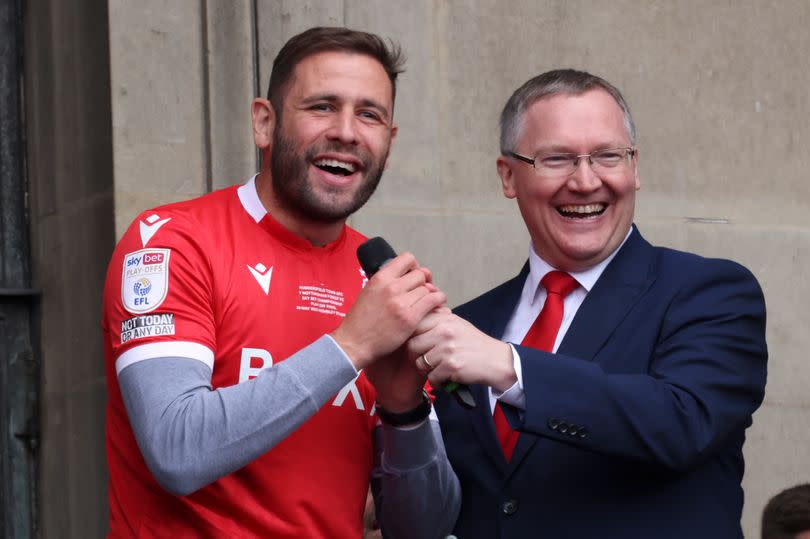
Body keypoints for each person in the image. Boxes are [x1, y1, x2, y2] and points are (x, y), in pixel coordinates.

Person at [101, 26, 459, 538]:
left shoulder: (380, 280)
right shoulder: (172, 242)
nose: (347, 132)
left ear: (389, 139)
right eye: (321, 107)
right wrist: (351, 346)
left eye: (369, 114)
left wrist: (404, 411)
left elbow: (421, 528)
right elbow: (176, 449)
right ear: (264, 123)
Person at [407, 69, 768, 538]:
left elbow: (682, 422)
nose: (585, 181)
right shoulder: (471, 325)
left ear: (634, 168)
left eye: (607, 156)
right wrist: (402, 415)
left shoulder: (710, 291)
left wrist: (511, 368)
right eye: (556, 158)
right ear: (508, 175)